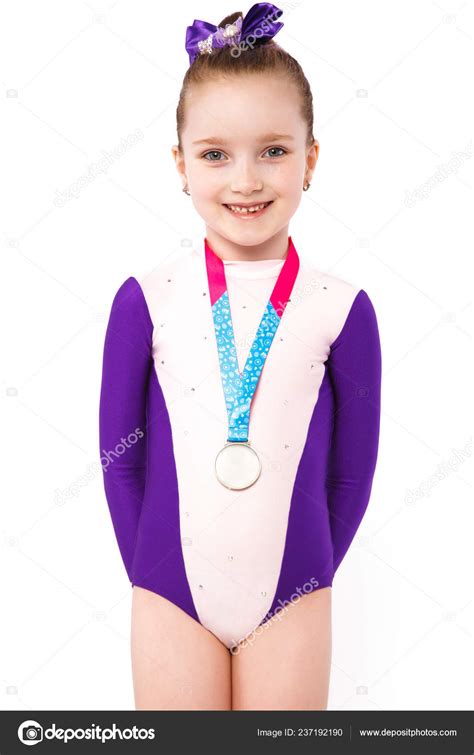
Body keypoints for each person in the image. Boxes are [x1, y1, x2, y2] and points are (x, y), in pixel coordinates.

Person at [99, 2, 382, 711]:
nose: (246, 180)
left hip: (293, 596)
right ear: (180, 163)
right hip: (171, 597)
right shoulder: (146, 299)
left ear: (311, 158)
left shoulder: (341, 309)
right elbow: (119, 458)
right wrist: (151, 570)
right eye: (216, 153)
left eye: (274, 150)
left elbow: (351, 475)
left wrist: (308, 572)